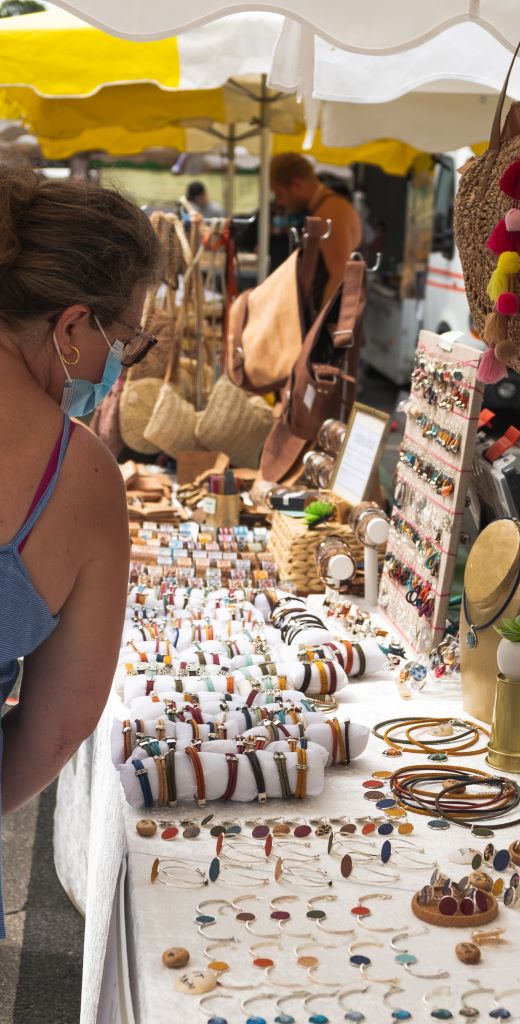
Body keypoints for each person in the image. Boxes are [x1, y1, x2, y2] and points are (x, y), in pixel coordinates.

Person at [0, 162, 161, 938]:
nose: (115, 368)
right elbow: (61, 724)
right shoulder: (78, 475)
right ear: (70, 328)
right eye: (123, 339)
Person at [269, 153, 363, 306]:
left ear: (297, 185)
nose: (279, 202)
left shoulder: (329, 213)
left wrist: (318, 326)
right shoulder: (325, 208)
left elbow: (340, 276)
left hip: (327, 323)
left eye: (280, 194)